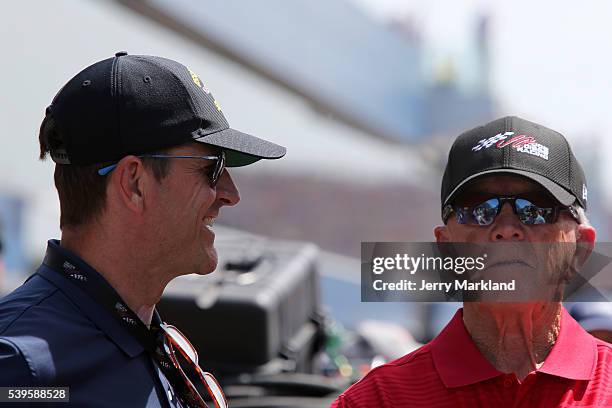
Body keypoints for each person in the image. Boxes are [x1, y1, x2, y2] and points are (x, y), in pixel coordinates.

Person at [0, 52, 285, 407]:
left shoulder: (155, 347)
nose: (230, 194)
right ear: (134, 182)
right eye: (211, 168)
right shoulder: (19, 367)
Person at [332, 116, 612, 407]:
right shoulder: (378, 400)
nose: (506, 228)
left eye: (535, 210)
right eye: (479, 210)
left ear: (581, 249)